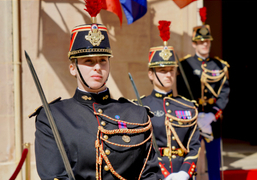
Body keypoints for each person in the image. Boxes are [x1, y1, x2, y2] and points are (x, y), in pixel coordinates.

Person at [29, 1, 163, 179]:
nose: (97, 67)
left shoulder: (136, 114)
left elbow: (151, 173)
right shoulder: (52, 117)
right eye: (89, 62)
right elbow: (53, 175)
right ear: (72, 68)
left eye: (103, 60)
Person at [136, 20, 200, 180]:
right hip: (154, 173)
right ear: (151, 74)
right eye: (162, 71)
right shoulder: (140, 106)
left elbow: (194, 146)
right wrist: (163, 173)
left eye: (171, 70)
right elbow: (140, 148)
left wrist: (185, 172)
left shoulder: (188, 106)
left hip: (183, 173)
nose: (168, 75)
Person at [176, 7, 230, 180]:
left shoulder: (220, 65)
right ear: (194, 44)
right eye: (200, 42)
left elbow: (224, 92)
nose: (204, 44)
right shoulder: (185, 66)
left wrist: (213, 115)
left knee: (214, 161)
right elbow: (182, 92)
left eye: (207, 41)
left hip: (212, 120)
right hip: (193, 119)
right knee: (190, 159)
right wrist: (195, 114)